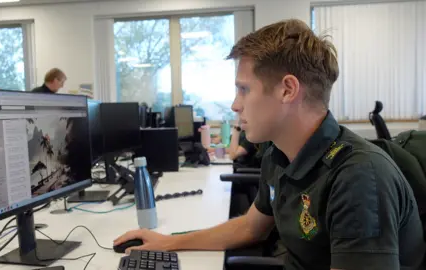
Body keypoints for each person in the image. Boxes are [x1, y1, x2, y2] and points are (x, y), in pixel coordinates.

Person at [114, 19, 425, 269]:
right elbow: (251, 228)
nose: (235, 105)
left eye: (244, 90)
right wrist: (168, 242)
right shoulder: (278, 155)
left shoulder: (358, 178)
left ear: (288, 90)